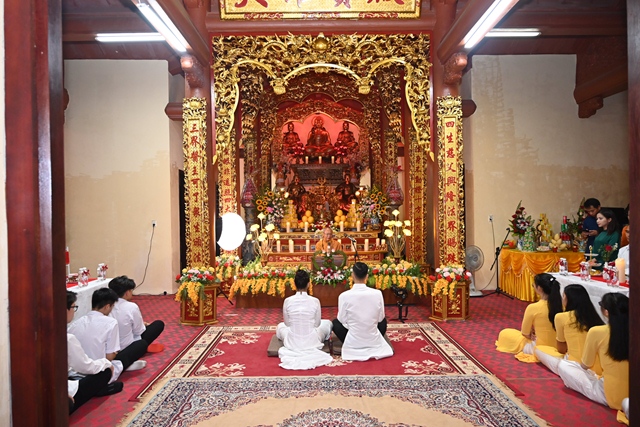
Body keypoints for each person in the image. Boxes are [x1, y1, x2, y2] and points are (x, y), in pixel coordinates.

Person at [557, 293, 629, 414]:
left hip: (609, 393)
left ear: (606, 312)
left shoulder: (597, 331)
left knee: (564, 365)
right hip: (634, 392)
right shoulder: (635, 331)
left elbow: (586, 365)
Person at [67, 291, 122, 414]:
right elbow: (85, 366)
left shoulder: (74, 325)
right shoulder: (68, 338)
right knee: (106, 372)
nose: (74, 311)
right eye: (73, 307)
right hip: (70, 385)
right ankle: (98, 389)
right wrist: (105, 364)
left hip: (67, 377)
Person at [68, 288, 147, 373]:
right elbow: (109, 357)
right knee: (140, 344)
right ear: (107, 306)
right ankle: (125, 365)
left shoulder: (75, 324)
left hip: (76, 369)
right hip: (100, 369)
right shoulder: (111, 323)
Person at [535, 284, 604, 375]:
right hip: (600, 367)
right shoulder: (594, 316)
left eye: (563, 296)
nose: (562, 299)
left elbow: (561, 349)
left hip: (577, 366)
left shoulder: (561, 317)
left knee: (538, 350)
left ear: (569, 299)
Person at [332, 262, 393, 361]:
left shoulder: (344, 296)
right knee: (383, 321)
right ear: (367, 276)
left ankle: (357, 341)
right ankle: (370, 339)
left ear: (352, 275)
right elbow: (380, 318)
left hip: (353, 339)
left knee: (335, 323)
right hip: (372, 336)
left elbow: (342, 320)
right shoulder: (377, 293)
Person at [495, 273, 563, 363]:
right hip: (560, 346)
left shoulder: (533, 307)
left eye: (533, 285)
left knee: (505, 333)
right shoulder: (562, 306)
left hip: (539, 347)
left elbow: (525, 333)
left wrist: (531, 334)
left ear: (539, 288)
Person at [275, 269, 333, 370]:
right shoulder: (315, 301)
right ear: (308, 284)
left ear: (294, 284)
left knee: (280, 326)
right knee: (327, 323)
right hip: (313, 340)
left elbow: (287, 324)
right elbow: (317, 324)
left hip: (292, 342)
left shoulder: (287, 301)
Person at [109, 275, 164, 350]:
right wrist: (143, 324)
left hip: (110, 347)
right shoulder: (131, 307)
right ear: (127, 293)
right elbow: (139, 331)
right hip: (128, 345)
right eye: (131, 290)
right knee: (158, 324)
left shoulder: (107, 306)